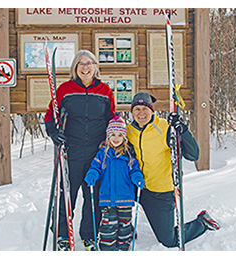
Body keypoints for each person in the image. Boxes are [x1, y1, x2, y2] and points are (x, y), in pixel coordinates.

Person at [127, 92, 220, 249]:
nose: (141, 113)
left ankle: (202, 222)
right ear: (132, 112)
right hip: (136, 187)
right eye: (137, 109)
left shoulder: (164, 128)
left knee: (169, 240)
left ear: (152, 110)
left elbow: (193, 154)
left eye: (145, 108)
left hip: (160, 191)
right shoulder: (129, 131)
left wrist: (182, 130)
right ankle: (125, 227)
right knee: (111, 192)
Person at [44, 50, 116, 251]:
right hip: (71, 151)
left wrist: (111, 140)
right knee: (67, 194)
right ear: (75, 67)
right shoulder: (65, 90)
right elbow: (50, 115)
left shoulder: (105, 91)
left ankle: (89, 234)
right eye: (81, 64)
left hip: (96, 153)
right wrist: (53, 132)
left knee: (93, 196)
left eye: (89, 63)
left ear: (95, 67)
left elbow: (112, 119)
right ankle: (62, 235)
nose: (85, 67)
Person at [84, 115, 145, 251]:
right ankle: (107, 248)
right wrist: (92, 174)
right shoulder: (103, 153)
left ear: (124, 137)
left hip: (125, 198)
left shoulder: (128, 154)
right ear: (108, 136)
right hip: (107, 198)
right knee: (108, 225)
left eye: (119, 135)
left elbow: (134, 169)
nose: (116, 139)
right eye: (113, 135)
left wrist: (137, 178)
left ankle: (123, 247)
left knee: (124, 225)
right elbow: (96, 167)